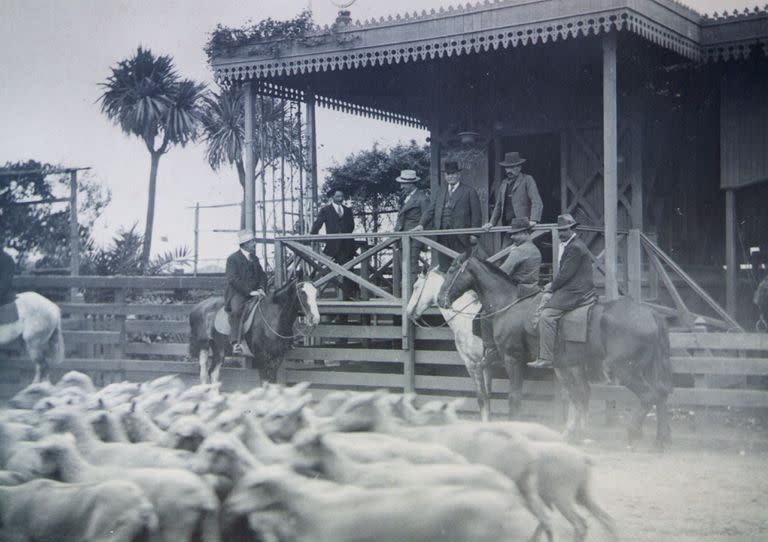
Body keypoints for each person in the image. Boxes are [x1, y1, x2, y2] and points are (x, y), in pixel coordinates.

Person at [529, 214, 596, 369]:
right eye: (559, 230)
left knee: (547, 316)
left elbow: (565, 274)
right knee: (544, 298)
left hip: (576, 291)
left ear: (572, 229)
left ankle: (546, 357)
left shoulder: (575, 248)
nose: (561, 234)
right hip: (573, 286)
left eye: (564, 230)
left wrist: (551, 286)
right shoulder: (573, 245)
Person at [481, 218, 542, 365]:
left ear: (525, 233)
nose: (512, 237)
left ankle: (491, 349)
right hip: (533, 288)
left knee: (484, 314)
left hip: (519, 291)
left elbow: (503, 273)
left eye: (515, 234)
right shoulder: (533, 248)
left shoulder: (519, 251)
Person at [414, 161, 482, 271]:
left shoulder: (469, 191)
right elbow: (430, 210)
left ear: (459, 175)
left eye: (453, 174)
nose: (451, 177)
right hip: (442, 236)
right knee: (444, 268)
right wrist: (421, 224)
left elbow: (477, 215)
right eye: (448, 174)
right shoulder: (440, 192)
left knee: (462, 268)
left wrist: (475, 234)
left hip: (461, 237)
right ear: (445, 176)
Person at [483, 152, 543, 243]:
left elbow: (536, 201)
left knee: (524, 252)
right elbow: (498, 206)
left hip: (524, 227)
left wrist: (533, 220)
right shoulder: (504, 183)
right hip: (508, 226)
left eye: (512, 167)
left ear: (519, 167)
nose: (509, 170)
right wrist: (491, 223)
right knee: (505, 253)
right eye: (507, 167)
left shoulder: (527, 180)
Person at [225, 230, 268, 354]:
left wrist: (261, 288)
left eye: (254, 241)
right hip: (238, 293)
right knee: (237, 311)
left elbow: (262, 275)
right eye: (252, 242)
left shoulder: (255, 258)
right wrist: (250, 292)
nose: (255, 244)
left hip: (256, 292)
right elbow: (233, 279)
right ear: (244, 244)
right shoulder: (232, 259)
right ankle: (236, 342)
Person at [311, 189, 356, 300]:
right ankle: (317, 294)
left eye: (342, 196)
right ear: (332, 197)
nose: (340, 199)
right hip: (333, 246)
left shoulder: (347, 210)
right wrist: (312, 236)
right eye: (337, 197)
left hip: (347, 246)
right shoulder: (326, 210)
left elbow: (351, 226)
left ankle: (348, 297)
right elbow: (318, 224)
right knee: (324, 271)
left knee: (348, 271)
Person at [394, 169, 430, 288]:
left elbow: (427, 216)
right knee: (402, 265)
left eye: (403, 183)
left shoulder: (422, 197)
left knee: (411, 265)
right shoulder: (405, 197)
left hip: (414, 237)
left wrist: (420, 229)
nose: (401, 186)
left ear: (411, 183)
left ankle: (411, 294)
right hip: (402, 237)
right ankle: (405, 293)